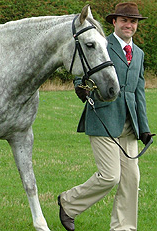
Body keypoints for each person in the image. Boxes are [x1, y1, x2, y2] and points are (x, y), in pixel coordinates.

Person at [57, 3, 155, 231]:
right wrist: (80, 86)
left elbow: (138, 92)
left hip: (130, 125)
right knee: (110, 176)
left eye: (133, 21)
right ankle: (68, 203)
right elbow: (83, 69)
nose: (129, 25)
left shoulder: (138, 53)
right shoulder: (103, 43)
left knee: (131, 180)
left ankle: (124, 227)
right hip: (103, 118)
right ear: (114, 22)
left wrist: (144, 127)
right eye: (124, 20)